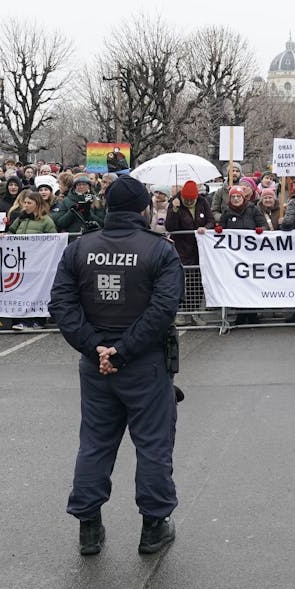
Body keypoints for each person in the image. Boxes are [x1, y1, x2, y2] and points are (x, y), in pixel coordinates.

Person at [47, 175, 185, 557]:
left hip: (98, 366)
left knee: (95, 444)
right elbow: (163, 310)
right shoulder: (159, 250)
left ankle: (89, 527)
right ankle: (153, 527)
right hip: (144, 363)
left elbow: (62, 305)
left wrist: (96, 350)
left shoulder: (81, 248)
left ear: (106, 208)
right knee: (154, 445)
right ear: (143, 210)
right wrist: (120, 352)